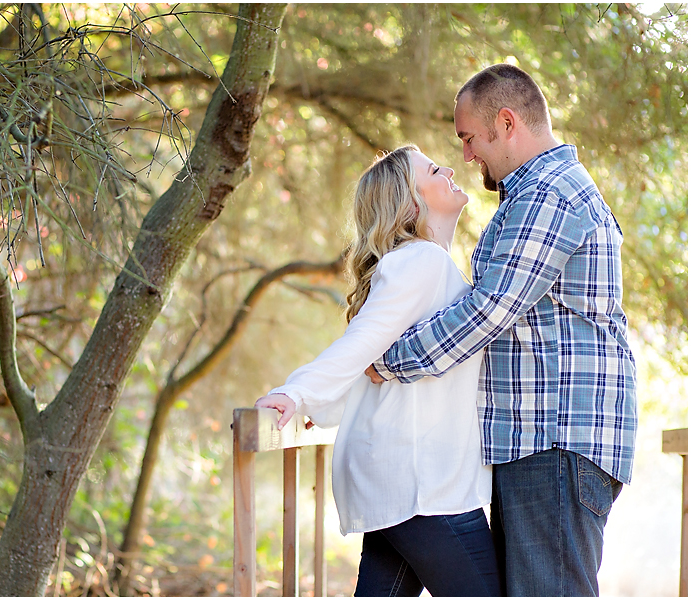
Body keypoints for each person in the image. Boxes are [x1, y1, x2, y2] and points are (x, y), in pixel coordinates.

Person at [367, 63, 637, 596]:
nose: (466, 155)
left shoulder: (549, 195)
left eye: (469, 137)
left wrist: (387, 360)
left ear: (507, 122)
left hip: (555, 441)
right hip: (539, 443)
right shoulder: (533, 195)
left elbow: (490, 309)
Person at [255, 146, 501, 597]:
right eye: (431, 169)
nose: (448, 168)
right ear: (411, 203)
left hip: (405, 479)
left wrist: (321, 403)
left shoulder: (428, 266)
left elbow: (376, 368)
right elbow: (363, 342)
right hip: (421, 484)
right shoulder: (420, 261)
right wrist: (299, 394)